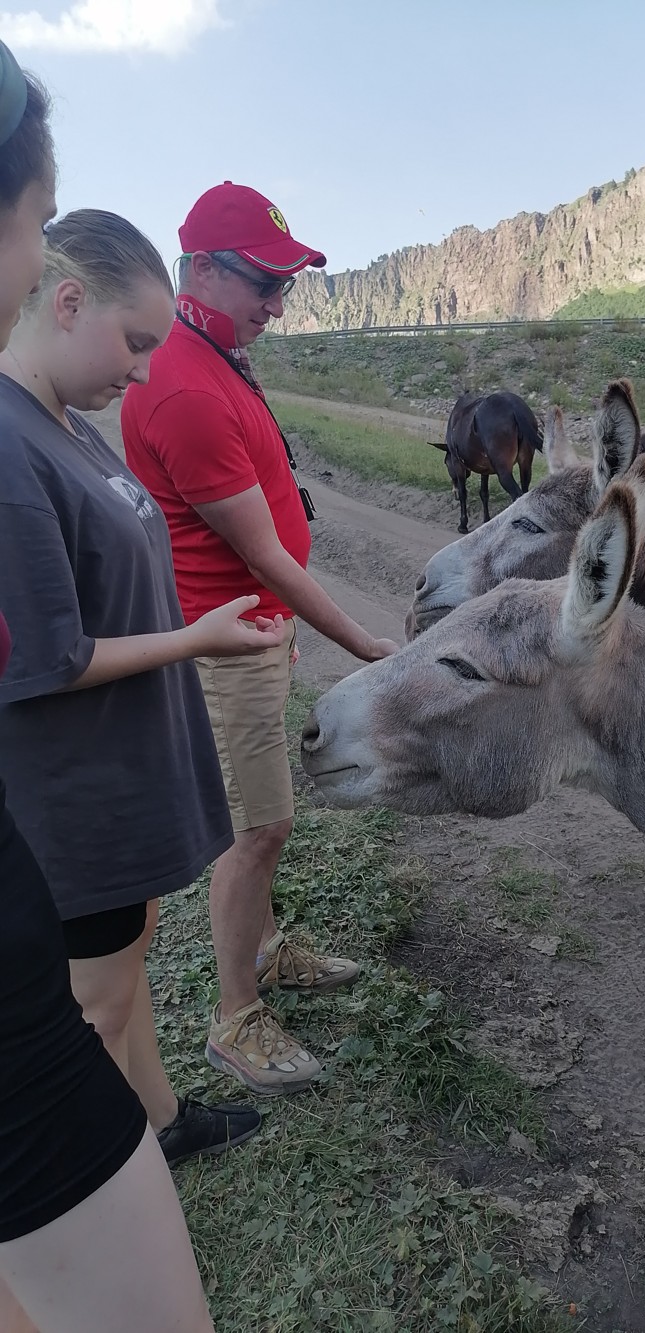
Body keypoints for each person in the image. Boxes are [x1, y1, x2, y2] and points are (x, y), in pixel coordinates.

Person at [0, 43, 223, 1333]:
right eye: (133, 343)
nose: (141, 373)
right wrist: (203, 641)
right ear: (64, 294)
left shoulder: (71, 431)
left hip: (119, 790)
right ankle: (128, 1159)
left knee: (127, 982)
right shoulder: (11, 445)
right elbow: (52, 660)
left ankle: (160, 1126)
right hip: (72, 809)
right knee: (97, 998)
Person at [123, 183, 398, 1095]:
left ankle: (269, 951)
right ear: (200, 269)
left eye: (285, 285)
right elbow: (267, 559)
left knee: (264, 818)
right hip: (230, 646)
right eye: (264, 284)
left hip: (255, 633)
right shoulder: (184, 389)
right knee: (260, 827)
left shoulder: (212, 345)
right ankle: (234, 1015)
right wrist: (365, 643)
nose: (278, 306)